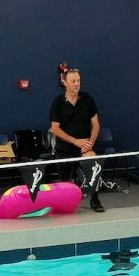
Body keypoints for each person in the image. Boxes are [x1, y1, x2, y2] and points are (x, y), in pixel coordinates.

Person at [49, 68, 104, 212]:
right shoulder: (58, 102)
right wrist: (75, 141)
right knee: (67, 181)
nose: (76, 84)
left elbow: (96, 124)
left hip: (84, 147)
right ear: (65, 82)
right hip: (65, 148)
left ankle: (95, 200)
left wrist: (90, 143)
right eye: (73, 81)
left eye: (78, 80)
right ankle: (67, 203)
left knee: (94, 164)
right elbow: (55, 129)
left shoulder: (87, 99)